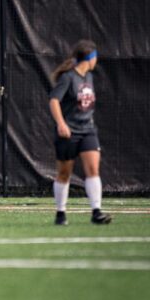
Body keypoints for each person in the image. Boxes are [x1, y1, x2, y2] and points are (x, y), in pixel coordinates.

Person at [48, 40, 111, 226]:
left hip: (88, 130)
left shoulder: (88, 77)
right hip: (69, 132)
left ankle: (96, 212)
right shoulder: (68, 78)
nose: (96, 60)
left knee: (93, 170)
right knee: (64, 174)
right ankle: (60, 214)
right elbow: (53, 101)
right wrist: (61, 124)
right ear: (90, 58)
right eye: (95, 57)